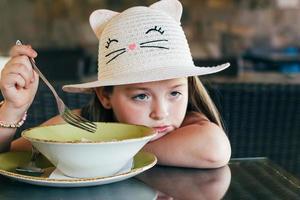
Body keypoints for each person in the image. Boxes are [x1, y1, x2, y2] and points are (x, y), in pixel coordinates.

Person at [0, 0, 231, 168]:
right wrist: (13, 109)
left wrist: (91, 149)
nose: (161, 113)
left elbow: (215, 149)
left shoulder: (191, 127)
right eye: (141, 96)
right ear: (105, 96)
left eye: (175, 93)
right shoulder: (82, 125)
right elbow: (8, 155)